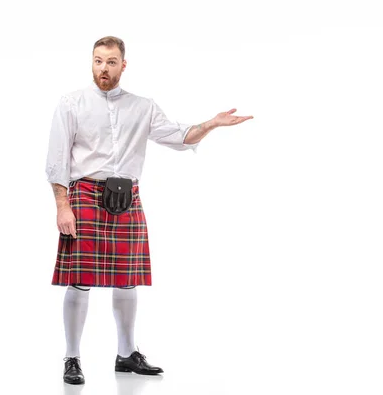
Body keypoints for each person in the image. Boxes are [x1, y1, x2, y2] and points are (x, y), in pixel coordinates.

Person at [45, 36, 253, 385]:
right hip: (84, 195)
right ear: (91, 62)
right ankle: (72, 357)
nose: (103, 69)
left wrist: (211, 124)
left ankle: (126, 354)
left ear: (123, 65)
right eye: (98, 61)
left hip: (127, 197)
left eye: (111, 62)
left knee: (128, 281)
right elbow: (56, 159)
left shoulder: (143, 107)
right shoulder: (71, 103)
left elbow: (178, 135)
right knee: (79, 280)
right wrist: (62, 206)